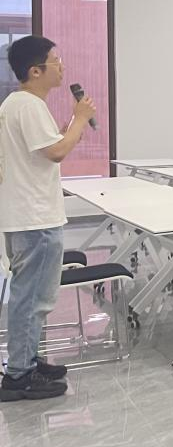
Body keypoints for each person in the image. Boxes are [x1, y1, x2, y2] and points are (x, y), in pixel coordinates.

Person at [0, 36, 95, 401]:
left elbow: (47, 147)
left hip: (27, 215)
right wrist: (81, 119)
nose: (62, 67)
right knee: (32, 299)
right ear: (35, 71)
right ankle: (19, 376)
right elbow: (56, 152)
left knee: (32, 296)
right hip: (35, 219)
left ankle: (27, 360)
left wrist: (73, 124)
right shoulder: (28, 105)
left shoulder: (18, 104)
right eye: (56, 61)